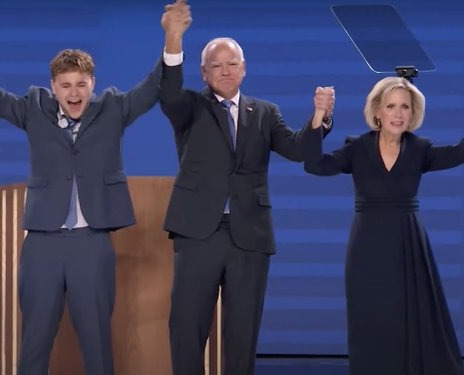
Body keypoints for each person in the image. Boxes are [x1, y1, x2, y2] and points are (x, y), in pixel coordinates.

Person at [0, 17, 167, 375]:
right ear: (53, 87)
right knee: (34, 341)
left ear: (93, 84)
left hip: (91, 243)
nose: (74, 93)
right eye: (65, 85)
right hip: (42, 243)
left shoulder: (112, 109)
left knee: (96, 342)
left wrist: (172, 38)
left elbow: (153, 88)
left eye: (81, 84)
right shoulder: (33, 109)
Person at [159, 1, 335, 374]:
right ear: (204, 73)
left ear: (244, 68)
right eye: (216, 65)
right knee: (186, 328)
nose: (225, 71)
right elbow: (169, 91)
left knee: (243, 333)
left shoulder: (265, 112)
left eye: (232, 63)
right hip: (198, 234)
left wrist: (319, 117)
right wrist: (173, 37)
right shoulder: (189, 106)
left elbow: (300, 151)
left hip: (249, 235)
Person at [304, 76, 464, 375]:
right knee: (371, 319)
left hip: (408, 245)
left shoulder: (420, 148)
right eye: (391, 106)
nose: (399, 113)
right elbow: (314, 165)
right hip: (367, 247)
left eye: (405, 106)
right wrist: (320, 116)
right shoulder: (358, 148)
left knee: (409, 319)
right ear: (377, 111)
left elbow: (458, 153)